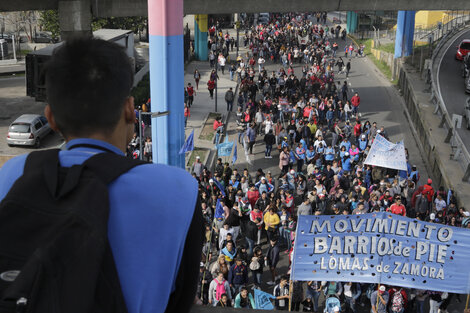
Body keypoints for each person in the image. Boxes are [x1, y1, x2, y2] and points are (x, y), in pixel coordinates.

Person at [0, 37, 203, 313]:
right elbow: (179, 300)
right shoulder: (179, 191)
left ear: (51, 118)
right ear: (131, 109)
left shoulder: (12, 175)